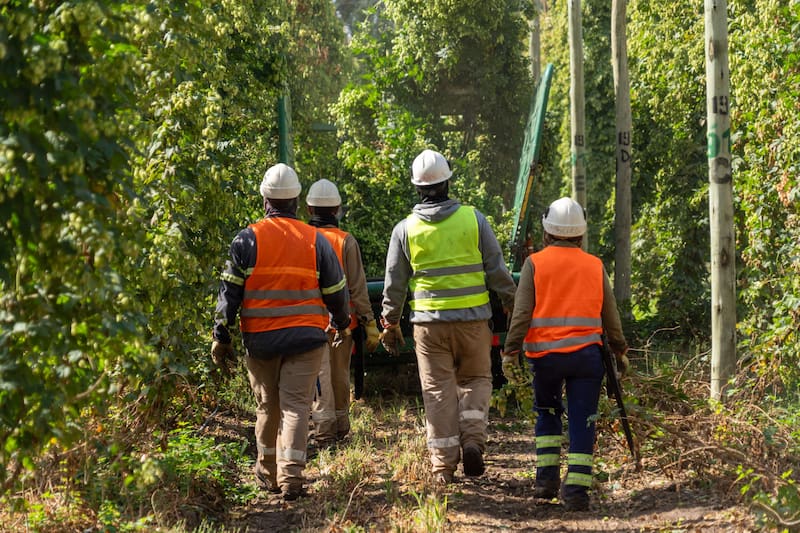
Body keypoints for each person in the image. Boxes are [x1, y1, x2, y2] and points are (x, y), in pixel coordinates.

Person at [210, 163, 351, 501]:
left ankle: (267, 472)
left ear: (265, 201)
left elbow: (229, 293)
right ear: (297, 201)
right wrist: (342, 323)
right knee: (297, 406)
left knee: (267, 407)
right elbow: (336, 291)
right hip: (306, 339)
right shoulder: (315, 240)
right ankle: (291, 477)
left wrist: (221, 336)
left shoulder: (246, 239)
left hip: (260, 342)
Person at [380, 148, 517, 485]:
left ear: (417, 187)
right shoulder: (474, 219)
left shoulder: (406, 229)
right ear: (448, 182)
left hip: (429, 327)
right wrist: (512, 301)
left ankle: (443, 466)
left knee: (438, 391)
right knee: (476, 380)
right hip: (473, 323)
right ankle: (472, 439)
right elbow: (497, 269)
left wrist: (389, 322)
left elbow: (394, 283)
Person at [501, 196, 629, 512]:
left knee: (547, 412)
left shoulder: (535, 264)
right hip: (587, 358)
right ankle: (576, 492)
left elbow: (522, 312)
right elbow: (610, 315)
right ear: (581, 233)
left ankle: (545, 481)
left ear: (547, 231)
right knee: (584, 421)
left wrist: (510, 351)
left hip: (544, 358)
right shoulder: (594, 265)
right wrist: (620, 349)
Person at [305, 178, 380, 448]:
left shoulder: (301, 238)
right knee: (339, 375)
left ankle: (321, 432)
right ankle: (339, 429)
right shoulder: (346, 241)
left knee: (316, 377)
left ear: (308, 209)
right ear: (337, 209)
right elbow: (358, 288)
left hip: (308, 322)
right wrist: (369, 322)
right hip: (342, 324)